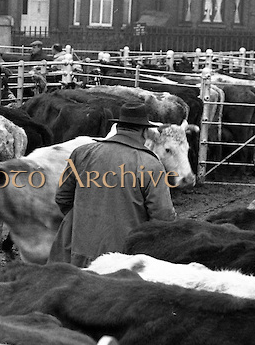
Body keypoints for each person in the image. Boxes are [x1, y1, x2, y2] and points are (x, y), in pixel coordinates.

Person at [49, 102, 177, 267]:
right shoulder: (150, 164)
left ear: (118, 127)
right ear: (144, 132)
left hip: (77, 252)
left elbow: (62, 198)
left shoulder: (82, 152)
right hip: (122, 260)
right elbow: (163, 217)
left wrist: (83, 221)